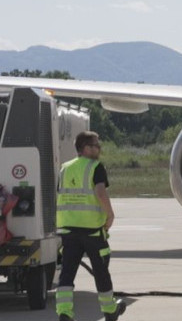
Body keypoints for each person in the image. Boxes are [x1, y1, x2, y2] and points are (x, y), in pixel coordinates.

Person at [54, 131, 124, 321]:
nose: (99, 149)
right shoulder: (96, 167)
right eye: (96, 145)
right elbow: (100, 192)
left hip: (68, 230)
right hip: (92, 231)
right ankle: (110, 310)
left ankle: (65, 312)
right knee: (101, 273)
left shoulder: (64, 168)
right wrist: (110, 214)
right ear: (85, 148)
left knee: (67, 274)